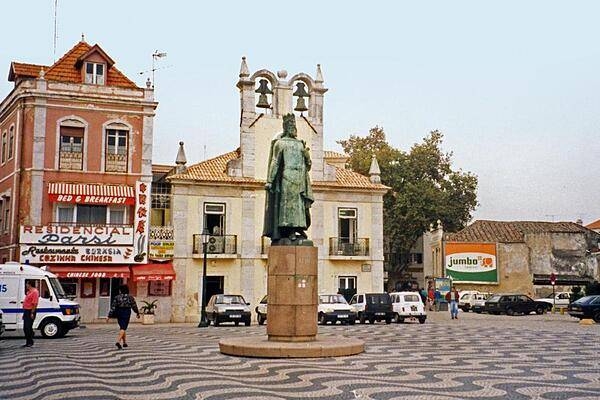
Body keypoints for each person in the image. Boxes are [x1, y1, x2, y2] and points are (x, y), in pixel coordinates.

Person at [263, 113, 314, 244]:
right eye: (290, 125)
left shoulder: (300, 144)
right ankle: (289, 230)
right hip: (287, 178)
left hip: (300, 180)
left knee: (299, 207)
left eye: (294, 125)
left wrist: (307, 156)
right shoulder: (280, 143)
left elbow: (308, 166)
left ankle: (299, 228)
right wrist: (270, 180)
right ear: (285, 127)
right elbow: (275, 162)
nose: (293, 127)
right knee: (288, 205)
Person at [109, 285, 140, 350]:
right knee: (123, 327)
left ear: (121, 290)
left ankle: (124, 343)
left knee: (122, 327)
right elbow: (134, 305)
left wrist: (109, 315)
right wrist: (137, 312)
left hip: (119, 312)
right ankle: (118, 341)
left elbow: (113, 306)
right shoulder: (130, 297)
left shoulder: (117, 297)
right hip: (126, 312)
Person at [22, 280, 39, 347]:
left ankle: (30, 341)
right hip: (26, 311)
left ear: (30, 284)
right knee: (25, 327)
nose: (26, 285)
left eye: (27, 284)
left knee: (28, 327)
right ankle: (28, 341)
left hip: (30, 311)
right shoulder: (29, 292)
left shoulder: (35, 292)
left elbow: (35, 303)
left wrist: (32, 312)